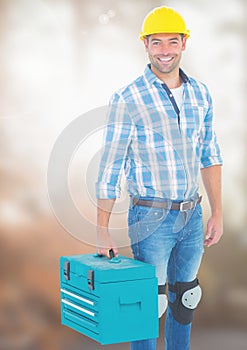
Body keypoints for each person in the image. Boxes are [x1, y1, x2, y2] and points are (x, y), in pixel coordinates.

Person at [96, 6, 223, 350]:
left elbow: (210, 155)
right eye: (156, 42)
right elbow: (111, 166)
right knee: (149, 304)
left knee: (185, 298)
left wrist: (217, 212)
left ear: (184, 43)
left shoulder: (201, 94)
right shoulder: (128, 98)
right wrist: (102, 228)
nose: (165, 50)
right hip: (149, 216)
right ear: (145, 45)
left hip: (192, 216)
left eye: (172, 41)